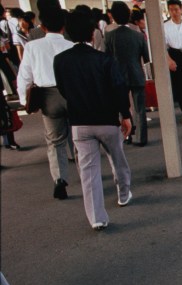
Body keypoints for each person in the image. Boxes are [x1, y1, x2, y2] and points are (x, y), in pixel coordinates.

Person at [54, 10, 133, 230]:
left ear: (68, 34)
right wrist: (125, 115)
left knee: (88, 172)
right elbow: (118, 88)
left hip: (80, 122)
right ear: (92, 34)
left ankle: (97, 218)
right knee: (117, 159)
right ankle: (123, 194)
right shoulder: (104, 59)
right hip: (107, 120)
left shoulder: (61, 61)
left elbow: (63, 89)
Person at [16, 7, 72, 199]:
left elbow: (24, 76)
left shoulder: (32, 47)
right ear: (64, 26)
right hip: (71, 95)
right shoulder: (71, 46)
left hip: (48, 97)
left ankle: (60, 179)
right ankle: (87, 173)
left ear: (43, 26)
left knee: (55, 142)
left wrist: (25, 101)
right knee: (80, 136)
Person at [105, 1, 149, 146]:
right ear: (129, 14)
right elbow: (146, 57)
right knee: (140, 108)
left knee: (122, 107)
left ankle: (127, 135)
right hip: (136, 73)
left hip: (118, 77)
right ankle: (141, 138)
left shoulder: (109, 36)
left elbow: (107, 58)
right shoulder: (138, 35)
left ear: (113, 17)